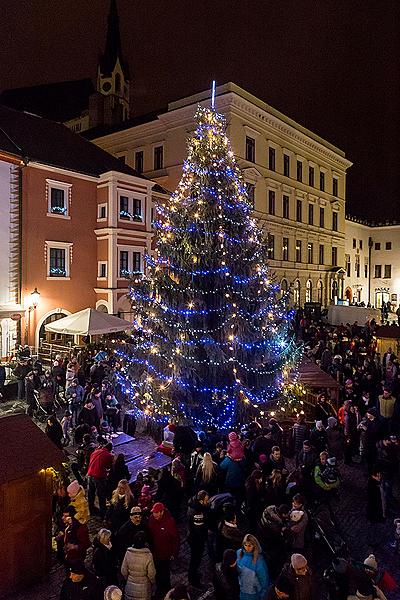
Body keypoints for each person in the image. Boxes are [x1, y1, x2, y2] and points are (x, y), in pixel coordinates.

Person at [148, 502, 179, 596]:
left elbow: (176, 539)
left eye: (156, 512)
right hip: (155, 553)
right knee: (157, 573)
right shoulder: (151, 519)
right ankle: (159, 589)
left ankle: (167, 591)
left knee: (165, 574)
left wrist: (174, 553)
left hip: (165, 555)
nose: (154, 514)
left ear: (161, 512)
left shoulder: (170, 522)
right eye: (153, 512)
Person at [121, 531, 156, 600]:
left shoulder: (128, 553)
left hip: (130, 587)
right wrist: (153, 583)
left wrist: (128, 578)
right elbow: (151, 574)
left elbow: (123, 571)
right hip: (144, 589)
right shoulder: (148, 555)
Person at [187, 489, 209, 587]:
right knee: (195, 560)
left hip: (192, 535)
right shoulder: (198, 513)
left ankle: (193, 575)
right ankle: (193, 580)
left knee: (195, 559)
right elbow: (199, 530)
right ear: (201, 501)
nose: (207, 502)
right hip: (196, 539)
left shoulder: (193, 505)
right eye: (206, 500)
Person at [236, 534, 269, 600]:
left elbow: (264, 578)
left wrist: (263, 593)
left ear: (254, 545)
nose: (247, 548)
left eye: (250, 545)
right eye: (245, 545)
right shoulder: (239, 553)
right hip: (241, 589)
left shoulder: (259, 561)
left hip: (253, 593)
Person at [87, 442, 114, 518]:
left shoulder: (95, 452)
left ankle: (91, 509)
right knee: (101, 495)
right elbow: (108, 466)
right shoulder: (108, 455)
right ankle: (102, 513)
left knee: (90, 493)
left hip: (90, 474)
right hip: (98, 476)